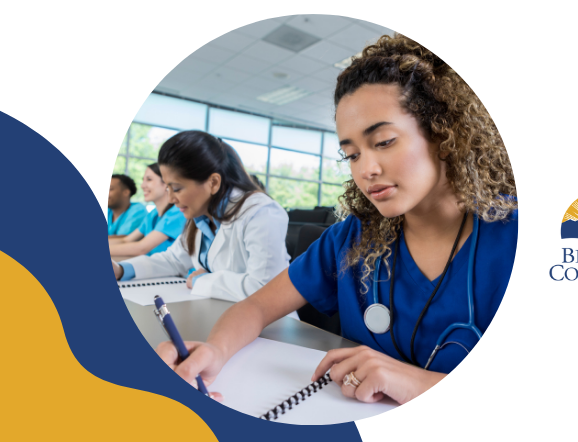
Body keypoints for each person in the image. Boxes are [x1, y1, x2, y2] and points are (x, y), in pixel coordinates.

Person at [157, 34, 517, 405]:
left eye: (383, 141)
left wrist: (419, 384)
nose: (367, 169)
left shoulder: (517, 236)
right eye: (352, 154)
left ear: (443, 134)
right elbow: (256, 306)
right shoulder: (351, 239)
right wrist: (215, 350)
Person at [112, 131, 291, 300]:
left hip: (268, 328)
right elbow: (173, 260)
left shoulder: (260, 212)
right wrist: (120, 270)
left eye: (176, 188)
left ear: (213, 182)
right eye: (167, 187)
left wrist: (202, 280)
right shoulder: (201, 217)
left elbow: (266, 288)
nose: (171, 198)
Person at [109, 163, 186, 257]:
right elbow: (126, 240)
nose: (142, 185)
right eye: (143, 180)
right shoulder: (153, 214)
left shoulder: (177, 212)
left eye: (149, 179)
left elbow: (141, 248)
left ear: (166, 183)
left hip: (174, 271)